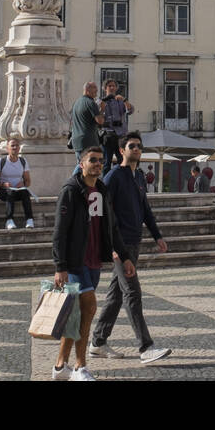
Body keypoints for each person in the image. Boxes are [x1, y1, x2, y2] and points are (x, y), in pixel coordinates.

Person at [90, 132, 172, 364]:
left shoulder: (139, 178)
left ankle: (97, 342)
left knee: (116, 295)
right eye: (132, 146)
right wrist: (111, 246)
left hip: (134, 241)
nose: (137, 149)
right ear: (122, 151)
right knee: (132, 292)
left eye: (139, 146)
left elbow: (145, 209)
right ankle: (145, 347)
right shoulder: (114, 176)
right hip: (120, 243)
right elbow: (103, 211)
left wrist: (157, 235)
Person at [52, 145, 130, 381]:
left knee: (79, 316)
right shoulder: (71, 190)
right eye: (93, 160)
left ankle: (59, 366)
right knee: (90, 305)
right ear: (82, 163)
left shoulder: (103, 190)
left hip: (95, 260)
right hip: (75, 262)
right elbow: (60, 230)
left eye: (101, 160)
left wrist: (124, 255)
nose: (98, 164)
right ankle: (80, 366)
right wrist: (60, 266)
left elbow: (112, 227)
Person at [0, 138, 34, 229]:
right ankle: (9, 220)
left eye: (17, 145)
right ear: (8, 148)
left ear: (19, 148)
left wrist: (23, 184)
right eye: (12, 146)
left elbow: (28, 181)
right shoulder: (1, 162)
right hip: (4, 191)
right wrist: (3, 185)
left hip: (18, 190)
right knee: (10, 193)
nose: (15, 147)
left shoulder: (23, 161)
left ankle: (29, 219)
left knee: (25, 193)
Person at [69, 82, 105, 160]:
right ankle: (74, 173)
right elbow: (100, 121)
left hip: (76, 140)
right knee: (85, 164)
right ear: (87, 89)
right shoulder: (91, 103)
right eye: (94, 89)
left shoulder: (76, 102)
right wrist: (102, 109)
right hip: (88, 140)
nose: (97, 91)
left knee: (81, 164)